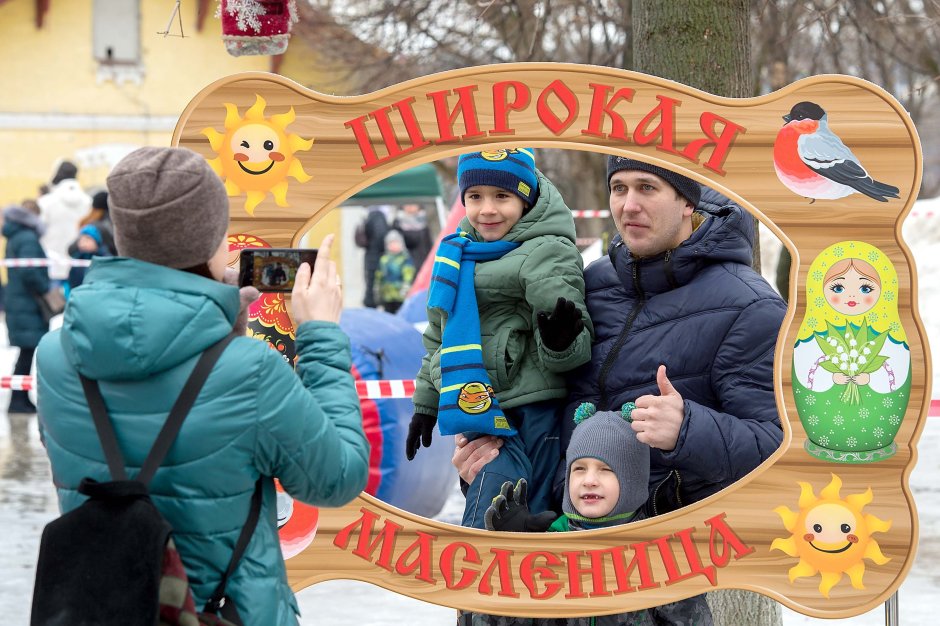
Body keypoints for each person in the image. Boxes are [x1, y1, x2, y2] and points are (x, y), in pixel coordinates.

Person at [35, 147, 370, 625]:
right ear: (212, 238)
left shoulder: (55, 356)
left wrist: (219, 313)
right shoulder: (249, 370)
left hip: (101, 607)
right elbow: (337, 477)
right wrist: (321, 335)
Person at [455, 156, 785, 524]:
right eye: (618, 188)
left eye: (647, 187)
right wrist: (490, 468)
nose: (629, 205)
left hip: (664, 558)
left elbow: (779, 453)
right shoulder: (590, 284)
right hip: (558, 543)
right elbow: (542, 408)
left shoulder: (749, 307)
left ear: (687, 202)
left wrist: (688, 428)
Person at [407, 148, 594, 530]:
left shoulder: (545, 251)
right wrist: (426, 402)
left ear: (525, 199)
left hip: (530, 405)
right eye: (475, 197)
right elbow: (438, 337)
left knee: (512, 499)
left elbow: (573, 347)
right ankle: (490, 569)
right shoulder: (458, 253)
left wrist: (561, 340)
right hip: (474, 400)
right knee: (503, 501)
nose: (487, 210)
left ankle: (479, 570)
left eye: (502, 197)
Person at [473, 408, 713, 626]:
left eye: (605, 470)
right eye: (579, 469)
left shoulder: (660, 556)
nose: (589, 480)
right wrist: (509, 561)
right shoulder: (547, 549)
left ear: (632, 478)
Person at [3, 201, 51, 414]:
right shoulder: (28, 238)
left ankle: (20, 397)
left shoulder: (16, 236)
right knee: (27, 351)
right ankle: (18, 400)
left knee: (26, 351)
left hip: (19, 299)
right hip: (28, 301)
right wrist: (45, 288)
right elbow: (30, 271)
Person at [37, 159, 91, 284]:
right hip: (79, 265)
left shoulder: (46, 202)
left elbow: (39, 230)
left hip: (52, 265)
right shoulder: (88, 202)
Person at [373, 229, 416, 314]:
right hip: (387, 296)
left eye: (396, 242)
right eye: (391, 243)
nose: (393, 245)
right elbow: (379, 275)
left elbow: (408, 274)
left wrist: (405, 287)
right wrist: (377, 290)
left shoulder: (405, 258)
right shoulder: (384, 260)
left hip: (400, 295)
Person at [66, 223, 113, 295]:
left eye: (87, 239)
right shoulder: (78, 258)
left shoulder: (106, 260)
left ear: (97, 241)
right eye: (81, 239)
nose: (83, 243)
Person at [361, 204, 391, 308]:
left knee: (370, 283)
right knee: (374, 285)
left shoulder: (371, 215)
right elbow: (381, 236)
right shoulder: (378, 216)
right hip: (377, 256)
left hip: (371, 255)